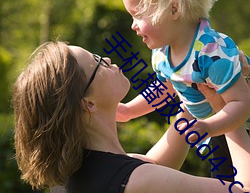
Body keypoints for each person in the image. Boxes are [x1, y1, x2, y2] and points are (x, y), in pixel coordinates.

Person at [13, 41, 250, 193]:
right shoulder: (138, 181)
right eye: (97, 63)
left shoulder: (72, 178)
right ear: (88, 103)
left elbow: (155, 164)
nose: (106, 59)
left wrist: (191, 84)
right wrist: (227, 108)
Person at [120, 0, 250, 180]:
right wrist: (129, 110)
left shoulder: (211, 52)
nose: (133, 25)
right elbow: (167, 88)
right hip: (209, 121)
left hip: (238, 125)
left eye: (138, 15)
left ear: (173, 10)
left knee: (229, 182)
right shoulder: (162, 53)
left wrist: (209, 126)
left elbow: (241, 103)